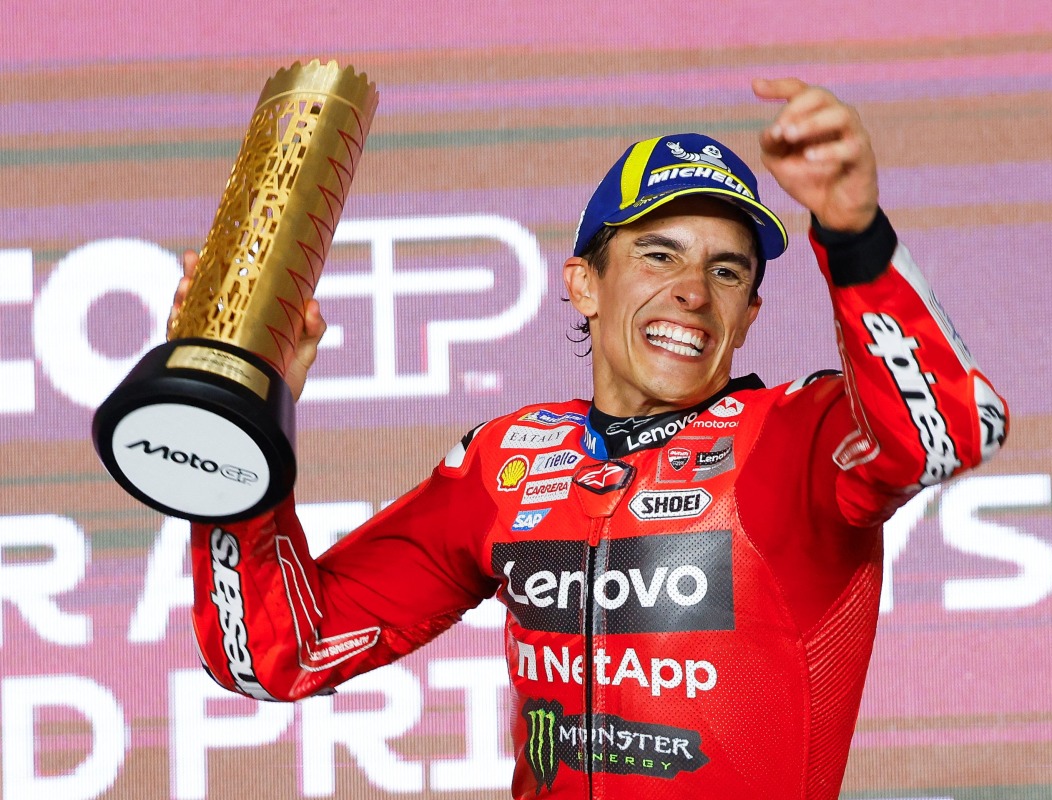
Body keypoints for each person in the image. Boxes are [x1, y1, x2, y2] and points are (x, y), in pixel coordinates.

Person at [181, 78, 1008, 799]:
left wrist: (856, 237)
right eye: (658, 254)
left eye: (727, 271)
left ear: (750, 314)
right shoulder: (506, 461)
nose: (693, 292)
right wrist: (251, 412)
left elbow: (950, 433)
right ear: (584, 283)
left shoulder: (799, 434)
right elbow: (275, 651)